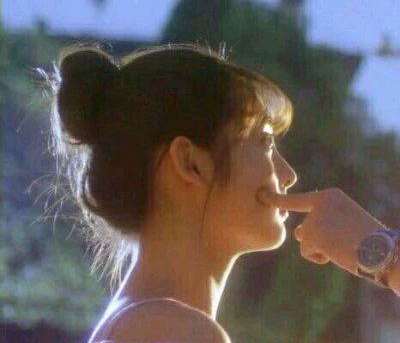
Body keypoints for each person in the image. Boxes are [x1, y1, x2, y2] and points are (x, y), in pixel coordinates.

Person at [42, 42, 397, 343]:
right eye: (265, 142)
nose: (288, 175)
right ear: (191, 163)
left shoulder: (148, 323)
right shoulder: (173, 330)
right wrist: (384, 255)